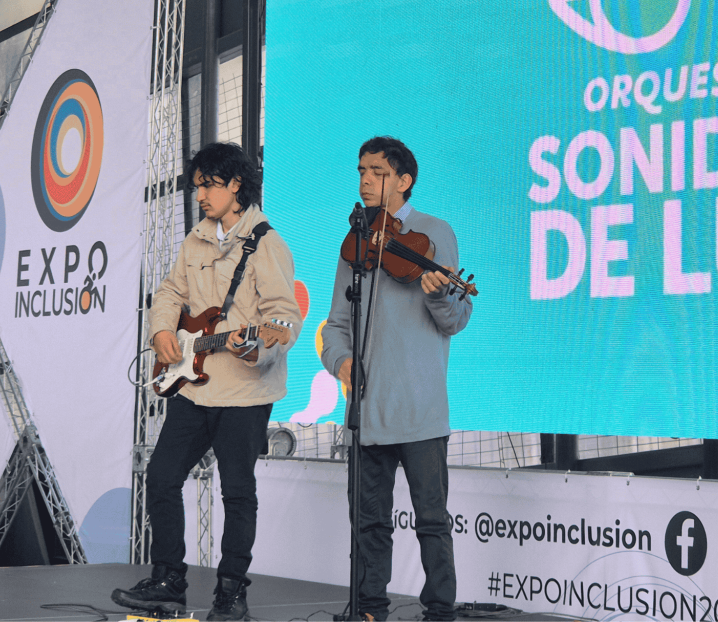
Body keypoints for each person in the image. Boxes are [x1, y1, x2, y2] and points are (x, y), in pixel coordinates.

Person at [112, 142, 302, 621]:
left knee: (237, 492)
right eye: (197, 186)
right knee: (161, 476)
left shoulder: (268, 244)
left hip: (246, 394)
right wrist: (161, 331)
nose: (199, 195)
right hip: (193, 388)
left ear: (237, 184)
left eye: (208, 185)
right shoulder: (194, 240)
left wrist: (256, 346)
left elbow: (284, 318)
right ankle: (167, 580)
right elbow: (170, 292)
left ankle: (231, 593)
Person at [321, 137, 473, 622]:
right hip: (366, 410)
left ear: (404, 181)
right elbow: (336, 326)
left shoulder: (435, 233)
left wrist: (438, 295)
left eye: (378, 172)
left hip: (420, 407)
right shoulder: (355, 239)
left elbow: (456, 319)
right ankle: (369, 609)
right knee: (368, 522)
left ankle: (440, 611)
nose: (365, 180)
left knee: (431, 521)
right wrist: (342, 362)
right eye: (361, 171)